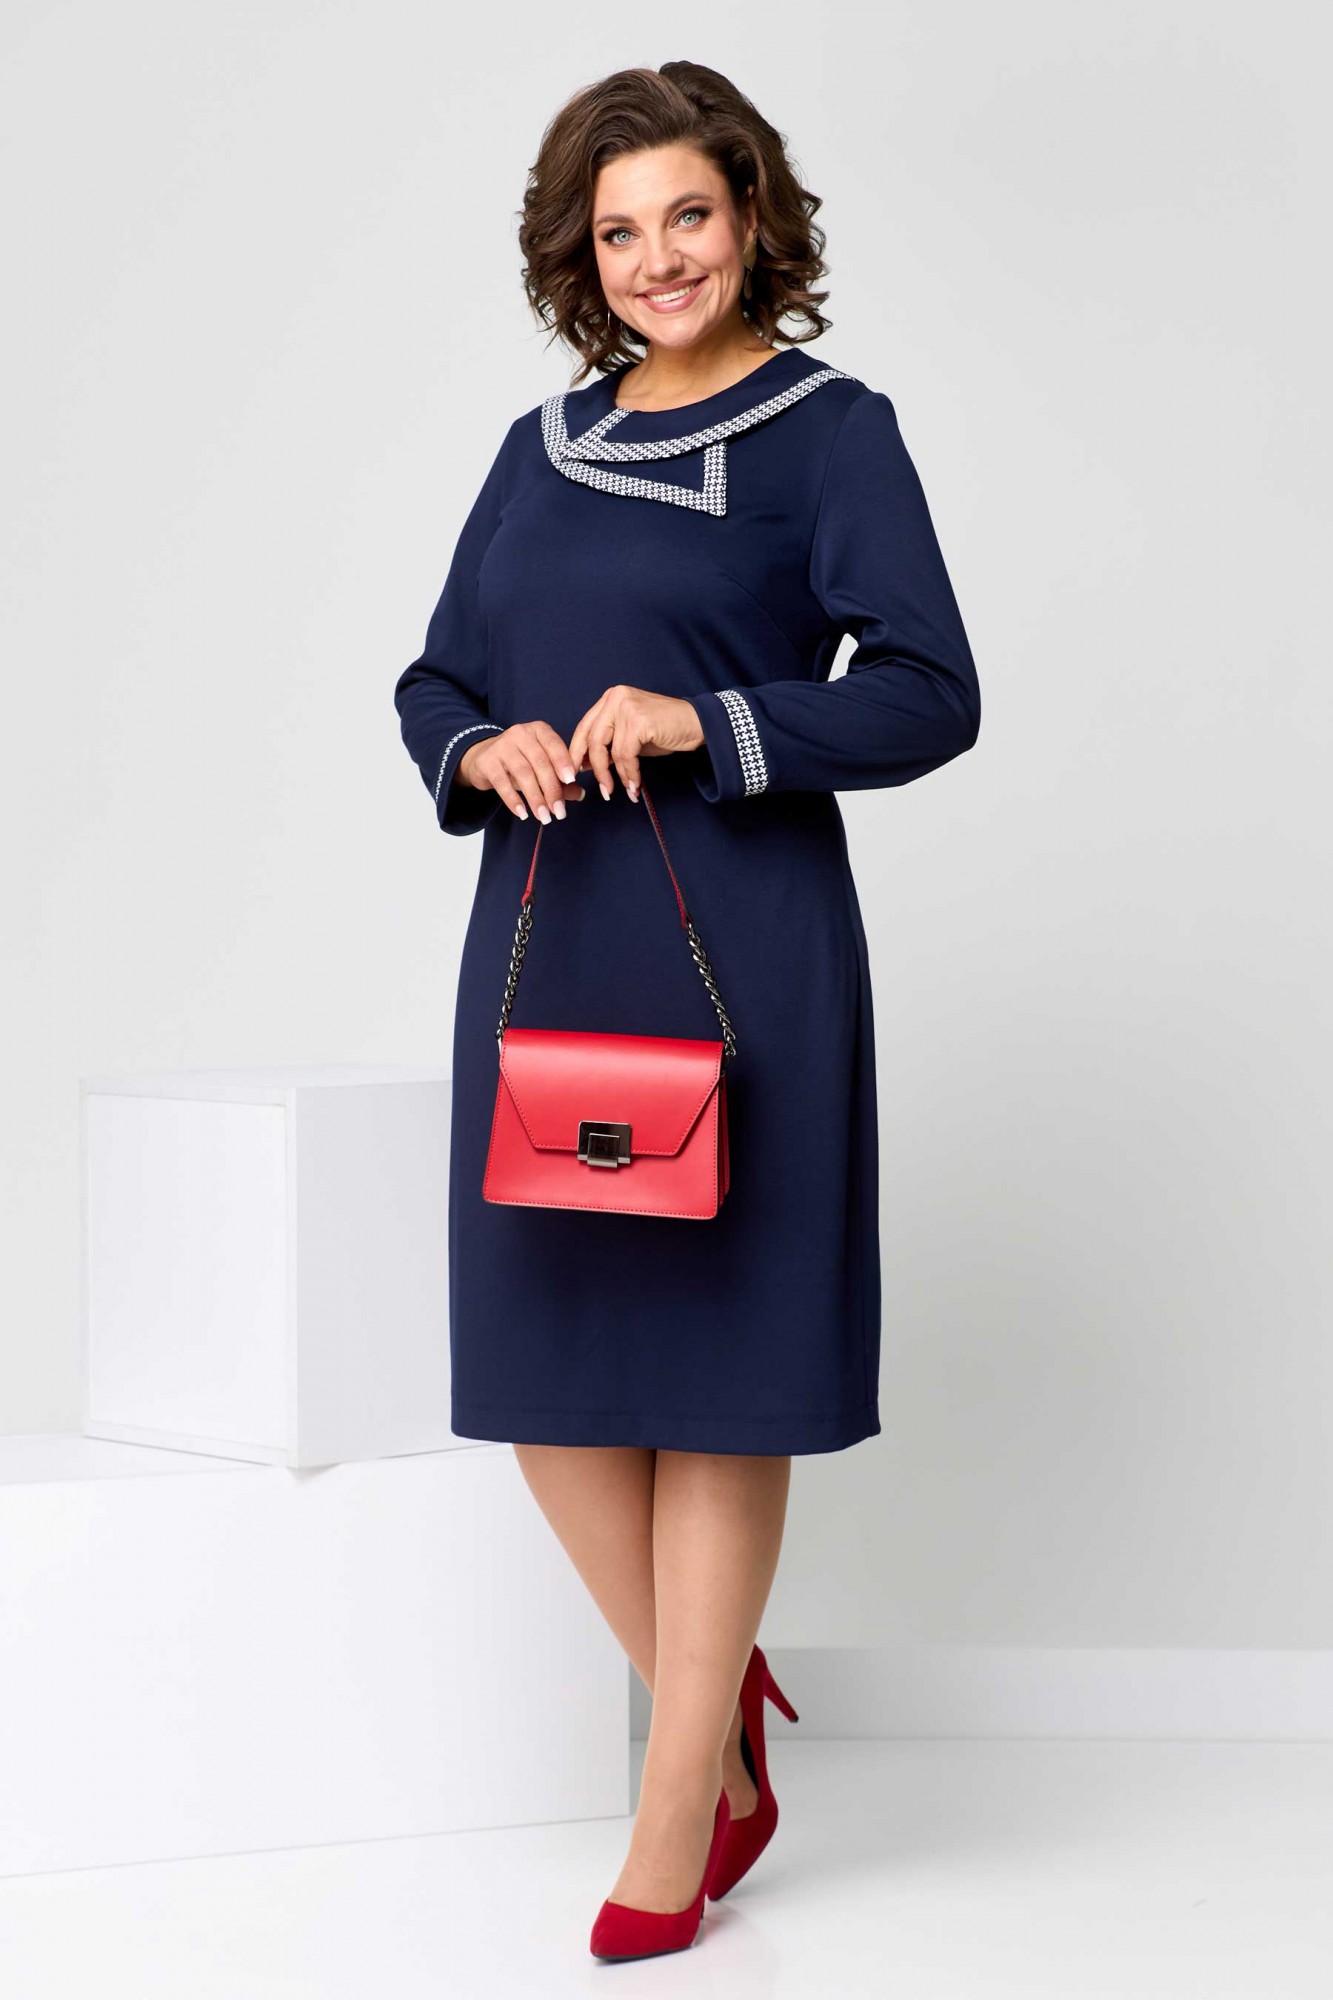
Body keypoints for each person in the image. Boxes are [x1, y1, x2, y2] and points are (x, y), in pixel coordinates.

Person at [392, 59, 981, 1962]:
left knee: (720, 1379)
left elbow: (927, 690)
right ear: (580, 253)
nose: (656, 258)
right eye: (618, 229)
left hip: (744, 939)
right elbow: (434, 677)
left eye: (689, 216)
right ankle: (717, 1713)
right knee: (547, 1376)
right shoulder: (537, 445)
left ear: (750, 219)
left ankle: (678, 1804)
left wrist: (704, 722)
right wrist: (480, 746)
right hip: (549, 927)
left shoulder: (831, 432)